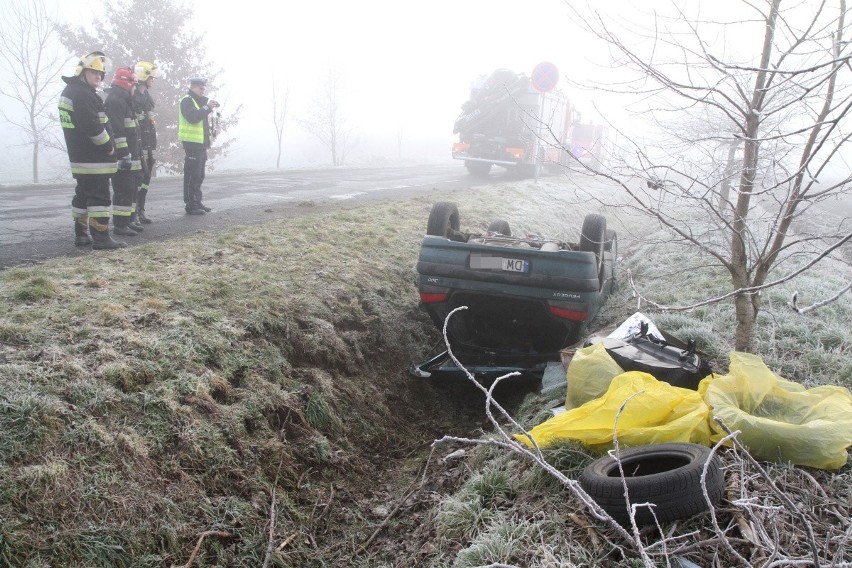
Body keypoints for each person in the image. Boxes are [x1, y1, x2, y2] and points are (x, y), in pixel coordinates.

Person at [58, 51, 126, 250]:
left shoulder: (73, 91)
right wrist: (108, 146)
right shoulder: (81, 94)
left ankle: (81, 234)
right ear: (82, 71)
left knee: (83, 195)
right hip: (94, 158)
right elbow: (92, 127)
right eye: (94, 72)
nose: (99, 76)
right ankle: (101, 237)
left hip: (81, 156)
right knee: (99, 197)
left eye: (101, 74)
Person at [104, 66, 143, 236]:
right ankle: (120, 225)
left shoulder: (124, 101)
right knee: (123, 190)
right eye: (134, 85)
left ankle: (127, 220)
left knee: (131, 189)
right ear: (126, 84)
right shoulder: (115, 101)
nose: (135, 89)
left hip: (131, 154)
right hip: (123, 156)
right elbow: (117, 131)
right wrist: (124, 154)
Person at [178, 77, 219, 215]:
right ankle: (191, 204)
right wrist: (207, 107)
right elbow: (193, 117)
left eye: (204, 89)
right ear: (193, 87)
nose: (203, 91)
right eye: (201, 88)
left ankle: (197, 201)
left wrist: (207, 106)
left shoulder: (196, 102)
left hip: (200, 144)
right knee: (192, 175)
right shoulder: (186, 100)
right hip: (191, 143)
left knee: (199, 175)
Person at [133, 60, 158, 224]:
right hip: (138, 144)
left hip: (149, 144)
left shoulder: (147, 97)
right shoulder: (133, 96)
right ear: (144, 76)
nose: (153, 80)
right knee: (137, 179)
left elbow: (150, 122)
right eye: (151, 77)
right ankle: (133, 212)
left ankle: (141, 209)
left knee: (146, 177)